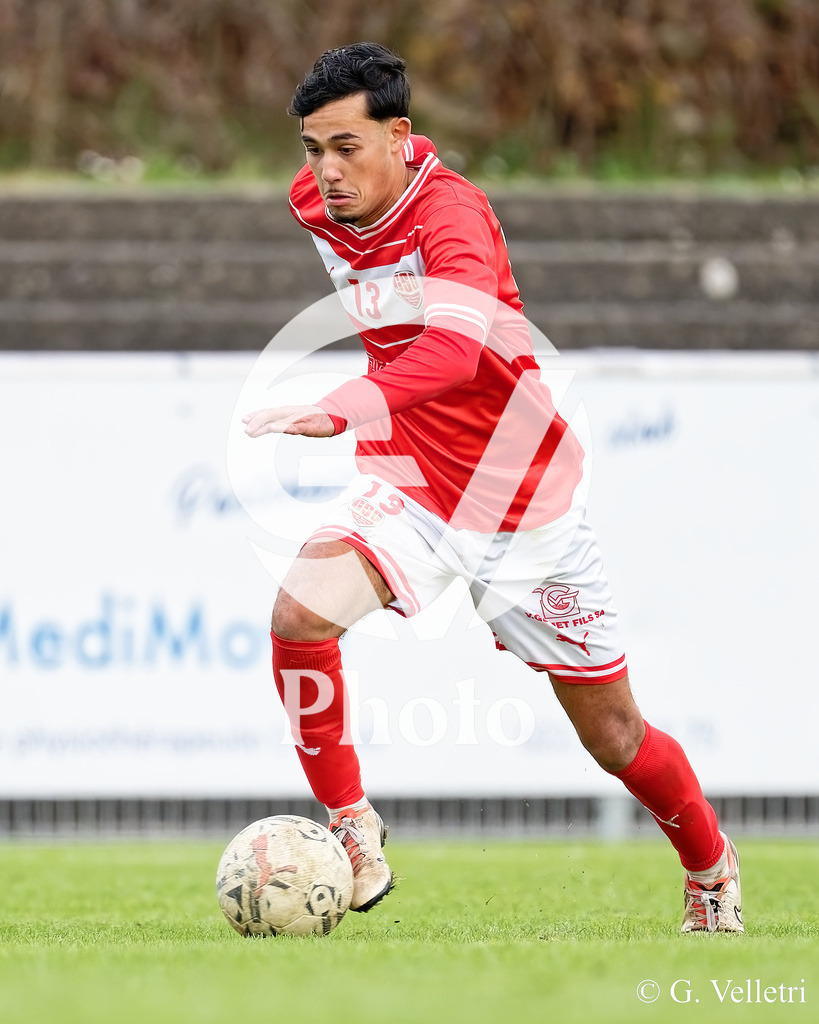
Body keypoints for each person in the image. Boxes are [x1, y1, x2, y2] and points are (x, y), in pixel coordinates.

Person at [243, 41, 743, 932]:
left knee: (615, 739)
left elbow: (456, 348)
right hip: (409, 482)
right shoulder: (315, 206)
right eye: (311, 149)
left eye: (345, 148)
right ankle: (354, 829)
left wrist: (343, 405)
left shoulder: (454, 217)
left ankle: (709, 866)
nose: (323, 171)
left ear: (401, 136)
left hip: (523, 506)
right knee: (297, 617)